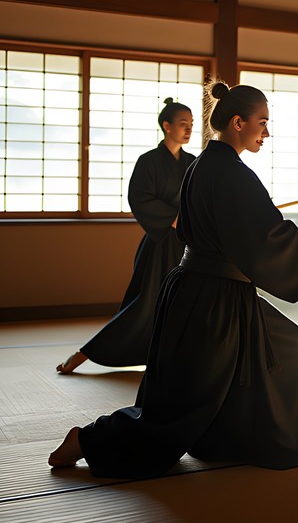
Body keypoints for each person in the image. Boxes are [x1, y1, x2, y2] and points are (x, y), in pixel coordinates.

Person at [48, 81, 298, 477]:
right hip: (211, 301)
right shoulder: (227, 172)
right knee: (178, 407)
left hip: (214, 293)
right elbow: (264, 235)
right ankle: (88, 440)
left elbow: (249, 236)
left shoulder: (208, 165)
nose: (267, 132)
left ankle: (242, 440)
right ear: (238, 123)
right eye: (262, 123)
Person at [57, 98, 196, 374]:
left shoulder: (193, 162)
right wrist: (172, 217)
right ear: (166, 126)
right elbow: (139, 197)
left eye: (191, 125)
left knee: (188, 304)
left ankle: (176, 360)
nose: (189, 129)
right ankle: (86, 353)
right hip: (159, 244)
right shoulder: (149, 161)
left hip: (187, 246)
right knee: (145, 305)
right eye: (183, 124)